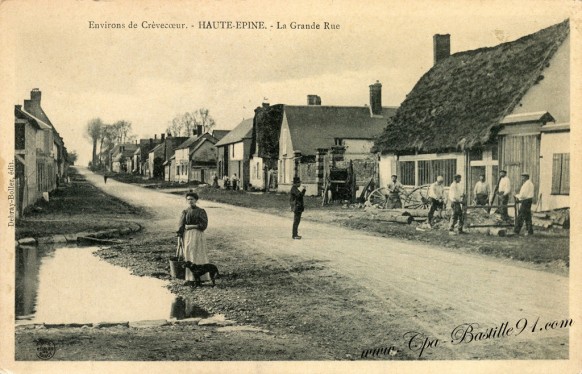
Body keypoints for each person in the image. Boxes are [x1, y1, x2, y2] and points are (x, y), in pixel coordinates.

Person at [177, 192, 210, 286]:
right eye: (188, 199)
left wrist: (192, 226)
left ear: (196, 200)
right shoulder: (185, 212)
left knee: (198, 253)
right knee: (188, 253)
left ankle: (202, 277)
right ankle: (190, 278)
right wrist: (179, 235)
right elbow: (181, 225)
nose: (190, 201)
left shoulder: (201, 211)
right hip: (187, 235)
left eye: (192, 199)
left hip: (198, 234)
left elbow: (204, 225)